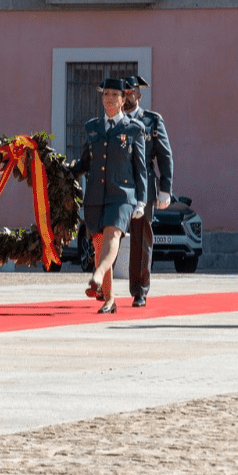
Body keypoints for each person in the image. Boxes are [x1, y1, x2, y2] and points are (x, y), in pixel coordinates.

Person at [71, 77, 147, 314]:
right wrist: (65, 170)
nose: (109, 99)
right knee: (99, 245)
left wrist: (141, 201)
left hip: (122, 195)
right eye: (106, 94)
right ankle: (110, 299)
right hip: (95, 195)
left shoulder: (134, 129)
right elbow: (85, 162)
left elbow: (141, 168)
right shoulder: (92, 127)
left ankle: (97, 274)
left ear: (124, 99)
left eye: (115, 95)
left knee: (112, 236)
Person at [120, 75, 173, 307]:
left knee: (142, 240)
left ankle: (139, 290)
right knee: (109, 235)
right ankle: (104, 285)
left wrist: (165, 189)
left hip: (144, 188)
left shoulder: (152, 121)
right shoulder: (114, 120)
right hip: (117, 186)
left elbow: (164, 155)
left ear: (139, 95)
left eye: (131, 93)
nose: (127, 97)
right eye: (124, 93)